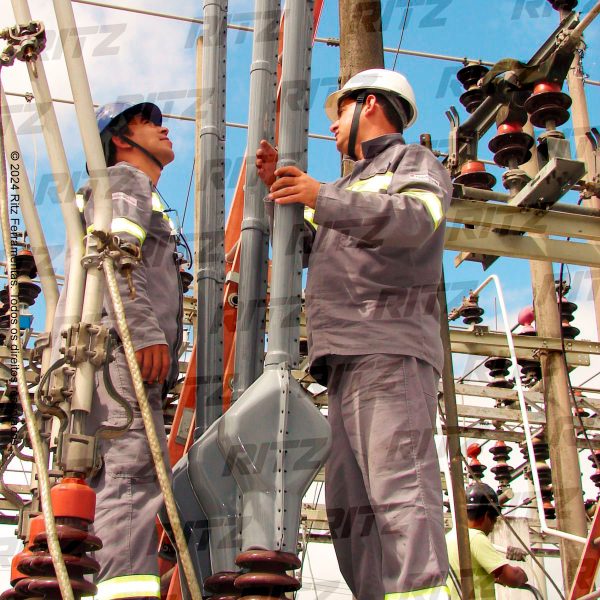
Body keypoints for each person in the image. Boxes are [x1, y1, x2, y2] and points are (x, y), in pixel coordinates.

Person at [256, 69, 452, 600]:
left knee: (400, 491)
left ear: (367, 104)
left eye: (337, 113)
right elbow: (315, 252)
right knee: (351, 510)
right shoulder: (341, 188)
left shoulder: (413, 163)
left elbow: (415, 220)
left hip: (388, 347)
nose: (332, 129)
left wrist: (319, 196)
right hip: (344, 361)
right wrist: (282, 191)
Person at [53, 101, 182, 599]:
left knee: (121, 481)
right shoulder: (125, 182)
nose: (164, 127)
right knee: (130, 480)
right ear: (123, 140)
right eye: (150, 122)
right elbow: (114, 256)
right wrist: (144, 332)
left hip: (107, 356)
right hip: (119, 351)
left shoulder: (133, 190)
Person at [446, 482, 528, 599]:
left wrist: (494, 577)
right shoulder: (476, 538)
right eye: (495, 519)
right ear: (486, 515)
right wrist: (520, 573)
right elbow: (512, 578)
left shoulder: (448, 538)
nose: (493, 527)